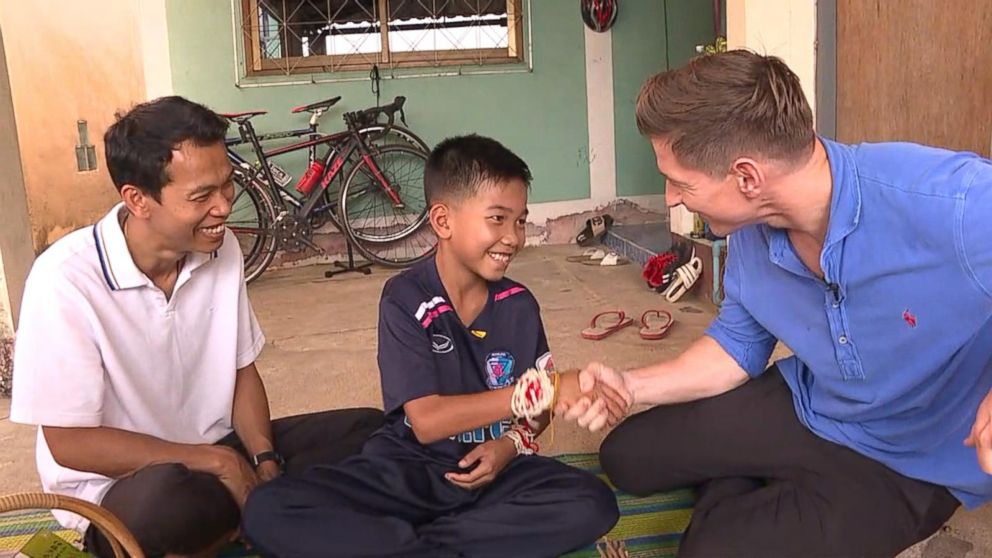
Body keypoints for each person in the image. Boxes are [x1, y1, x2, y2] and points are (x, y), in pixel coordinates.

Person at [559, 49, 992, 557]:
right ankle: (768, 487)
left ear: (746, 177)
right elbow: (736, 345)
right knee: (626, 457)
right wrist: (630, 386)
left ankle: (756, 502)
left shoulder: (952, 203)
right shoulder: (751, 230)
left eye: (681, 182)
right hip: (812, 404)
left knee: (708, 552)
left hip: (911, 459)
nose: (671, 198)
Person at [10, 96, 383, 557]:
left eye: (227, 185)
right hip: (125, 486)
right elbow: (70, 444)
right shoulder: (65, 279)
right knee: (168, 507)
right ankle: (262, 515)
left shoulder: (221, 249)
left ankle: (247, 516)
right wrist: (217, 462)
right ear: (138, 200)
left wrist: (264, 459)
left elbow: (241, 371)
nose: (223, 207)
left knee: (372, 432)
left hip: (217, 452)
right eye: (201, 196)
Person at [242, 134, 621, 557]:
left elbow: (539, 411)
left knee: (592, 501)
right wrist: (544, 390)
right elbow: (426, 421)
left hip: (492, 475)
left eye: (520, 221)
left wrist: (510, 446)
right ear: (443, 221)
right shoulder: (405, 299)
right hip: (409, 469)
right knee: (268, 508)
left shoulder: (520, 305)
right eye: (497, 219)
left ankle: (417, 546)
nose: (514, 237)